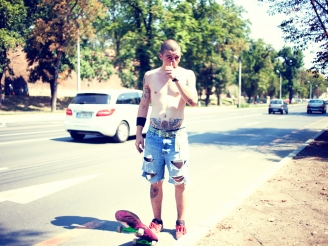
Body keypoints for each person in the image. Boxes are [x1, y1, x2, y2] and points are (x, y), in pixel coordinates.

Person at [135, 39, 198, 240]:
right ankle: (157, 220)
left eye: (177, 57)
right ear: (161, 56)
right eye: (169, 57)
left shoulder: (187, 75)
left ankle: (180, 223)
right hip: (153, 136)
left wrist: (176, 80)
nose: (173, 61)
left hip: (177, 136)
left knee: (179, 182)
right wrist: (138, 133)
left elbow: (193, 101)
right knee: (155, 181)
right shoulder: (150, 76)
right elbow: (144, 104)